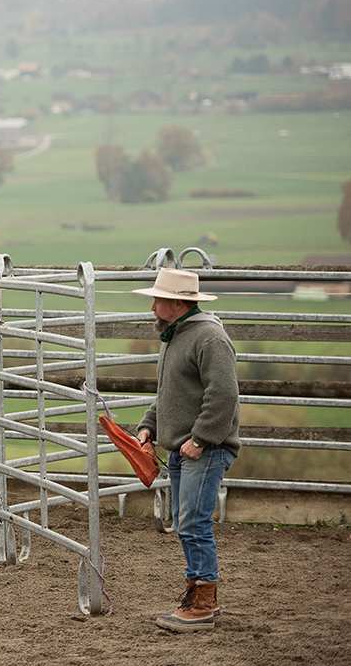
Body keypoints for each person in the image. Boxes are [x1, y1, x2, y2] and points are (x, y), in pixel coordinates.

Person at [133, 268, 241, 633]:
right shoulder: (176, 336)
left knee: (193, 523)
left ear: (177, 303)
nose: (153, 305)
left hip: (203, 448)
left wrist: (200, 438)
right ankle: (197, 594)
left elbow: (223, 395)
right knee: (185, 524)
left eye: (158, 299)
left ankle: (204, 604)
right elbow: (169, 394)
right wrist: (150, 425)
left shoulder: (209, 337)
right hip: (186, 447)